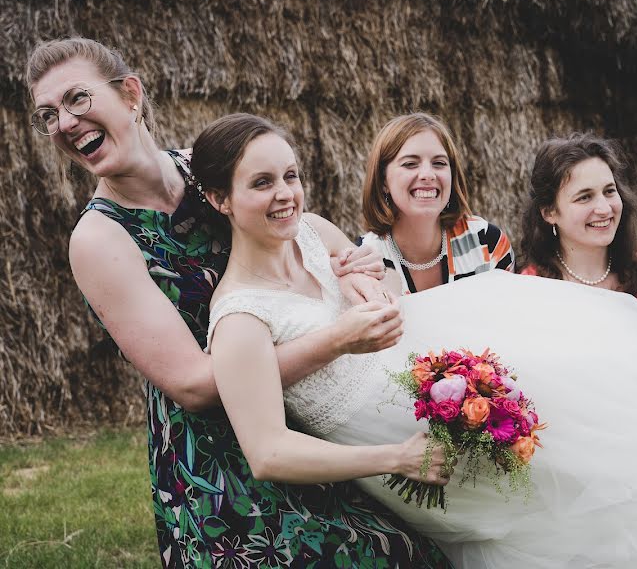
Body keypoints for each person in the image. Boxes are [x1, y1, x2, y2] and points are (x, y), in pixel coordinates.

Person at [198, 112, 637, 569]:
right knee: (564, 521)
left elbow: (367, 269)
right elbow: (269, 452)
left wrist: (366, 281)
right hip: (400, 444)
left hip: (442, 368)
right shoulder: (240, 320)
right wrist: (396, 458)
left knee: (591, 414)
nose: (285, 195)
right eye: (261, 184)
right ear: (217, 199)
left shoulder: (311, 230)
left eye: (289, 176)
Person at [26, 37, 453, 568]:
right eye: (48, 115)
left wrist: (351, 265)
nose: (64, 123)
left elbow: (298, 237)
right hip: (220, 464)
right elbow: (196, 386)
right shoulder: (99, 239)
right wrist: (337, 341)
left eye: (77, 100)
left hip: (303, 421)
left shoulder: (214, 168)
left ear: (130, 95)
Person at [358, 113, 514, 293]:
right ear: (383, 180)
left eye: (439, 163)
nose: (428, 174)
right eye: (410, 164)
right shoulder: (367, 260)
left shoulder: (487, 242)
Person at [517, 133, 637, 310]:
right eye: (584, 197)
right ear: (549, 213)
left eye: (609, 191)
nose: (605, 209)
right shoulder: (530, 291)